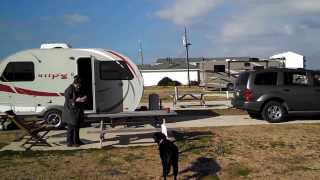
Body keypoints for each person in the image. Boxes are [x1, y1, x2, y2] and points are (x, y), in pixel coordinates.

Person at [63, 75, 87, 147]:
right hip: (70, 112)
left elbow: (78, 97)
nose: (79, 86)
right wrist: (76, 100)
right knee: (71, 127)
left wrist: (83, 98)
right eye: (79, 85)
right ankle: (70, 142)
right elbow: (68, 99)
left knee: (77, 127)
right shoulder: (69, 89)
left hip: (76, 111)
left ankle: (77, 141)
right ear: (76, 83)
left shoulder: (77, 88)